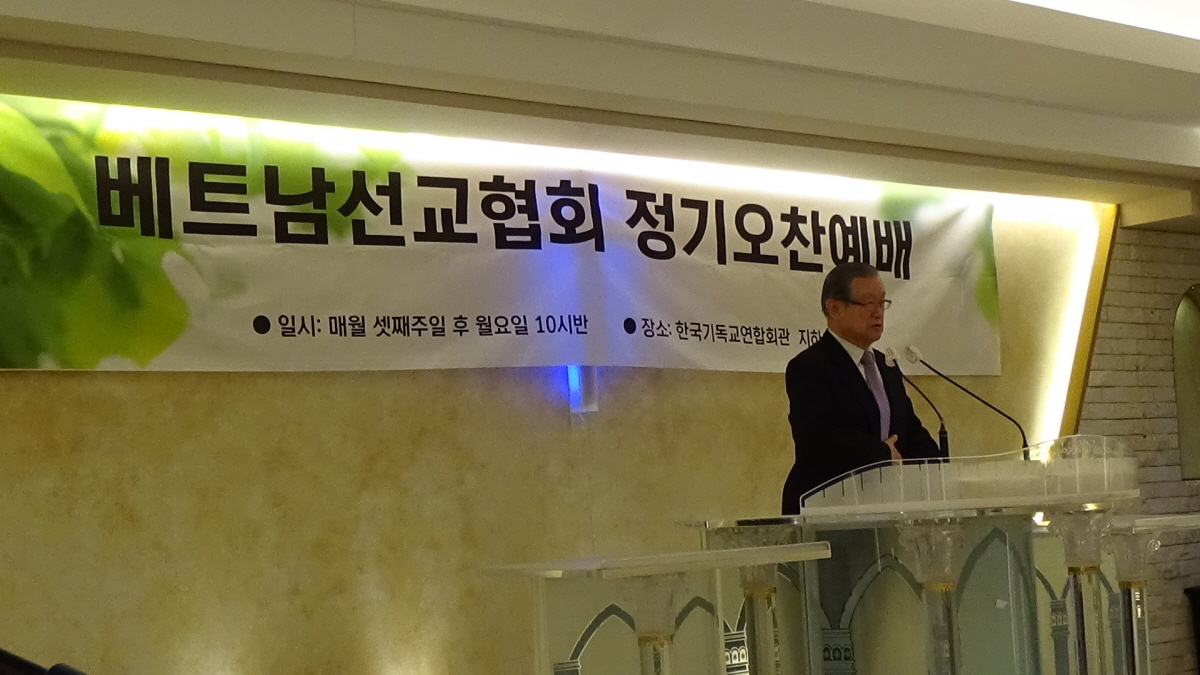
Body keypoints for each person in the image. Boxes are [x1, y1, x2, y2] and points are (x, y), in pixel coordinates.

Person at [781, 263, 943, 514]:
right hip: (826, 507)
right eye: (868, 303)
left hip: (883, 506)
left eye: (882, 302)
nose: (878, 312)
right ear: (834, 308)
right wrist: (883, 454)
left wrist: (941, 469)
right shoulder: (809, 367)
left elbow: (909, 431)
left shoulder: (886, 366)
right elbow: (819, 441)